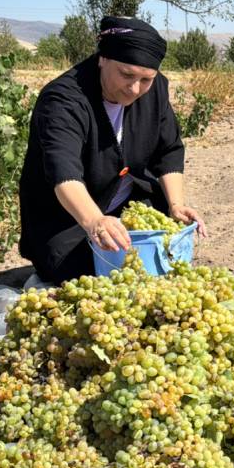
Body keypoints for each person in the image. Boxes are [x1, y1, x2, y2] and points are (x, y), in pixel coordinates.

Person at [18, 16, 207, 284]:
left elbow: (169, 151)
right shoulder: (64, 100)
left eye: (146, 79)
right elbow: (64, 173)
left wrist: (176, 205)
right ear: (102, 58)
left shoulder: (155, 91)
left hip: (126, 205)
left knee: (164, 254)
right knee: (92, 272)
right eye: (126, 74)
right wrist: (95, 221)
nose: (134, 88)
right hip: (67, 218)